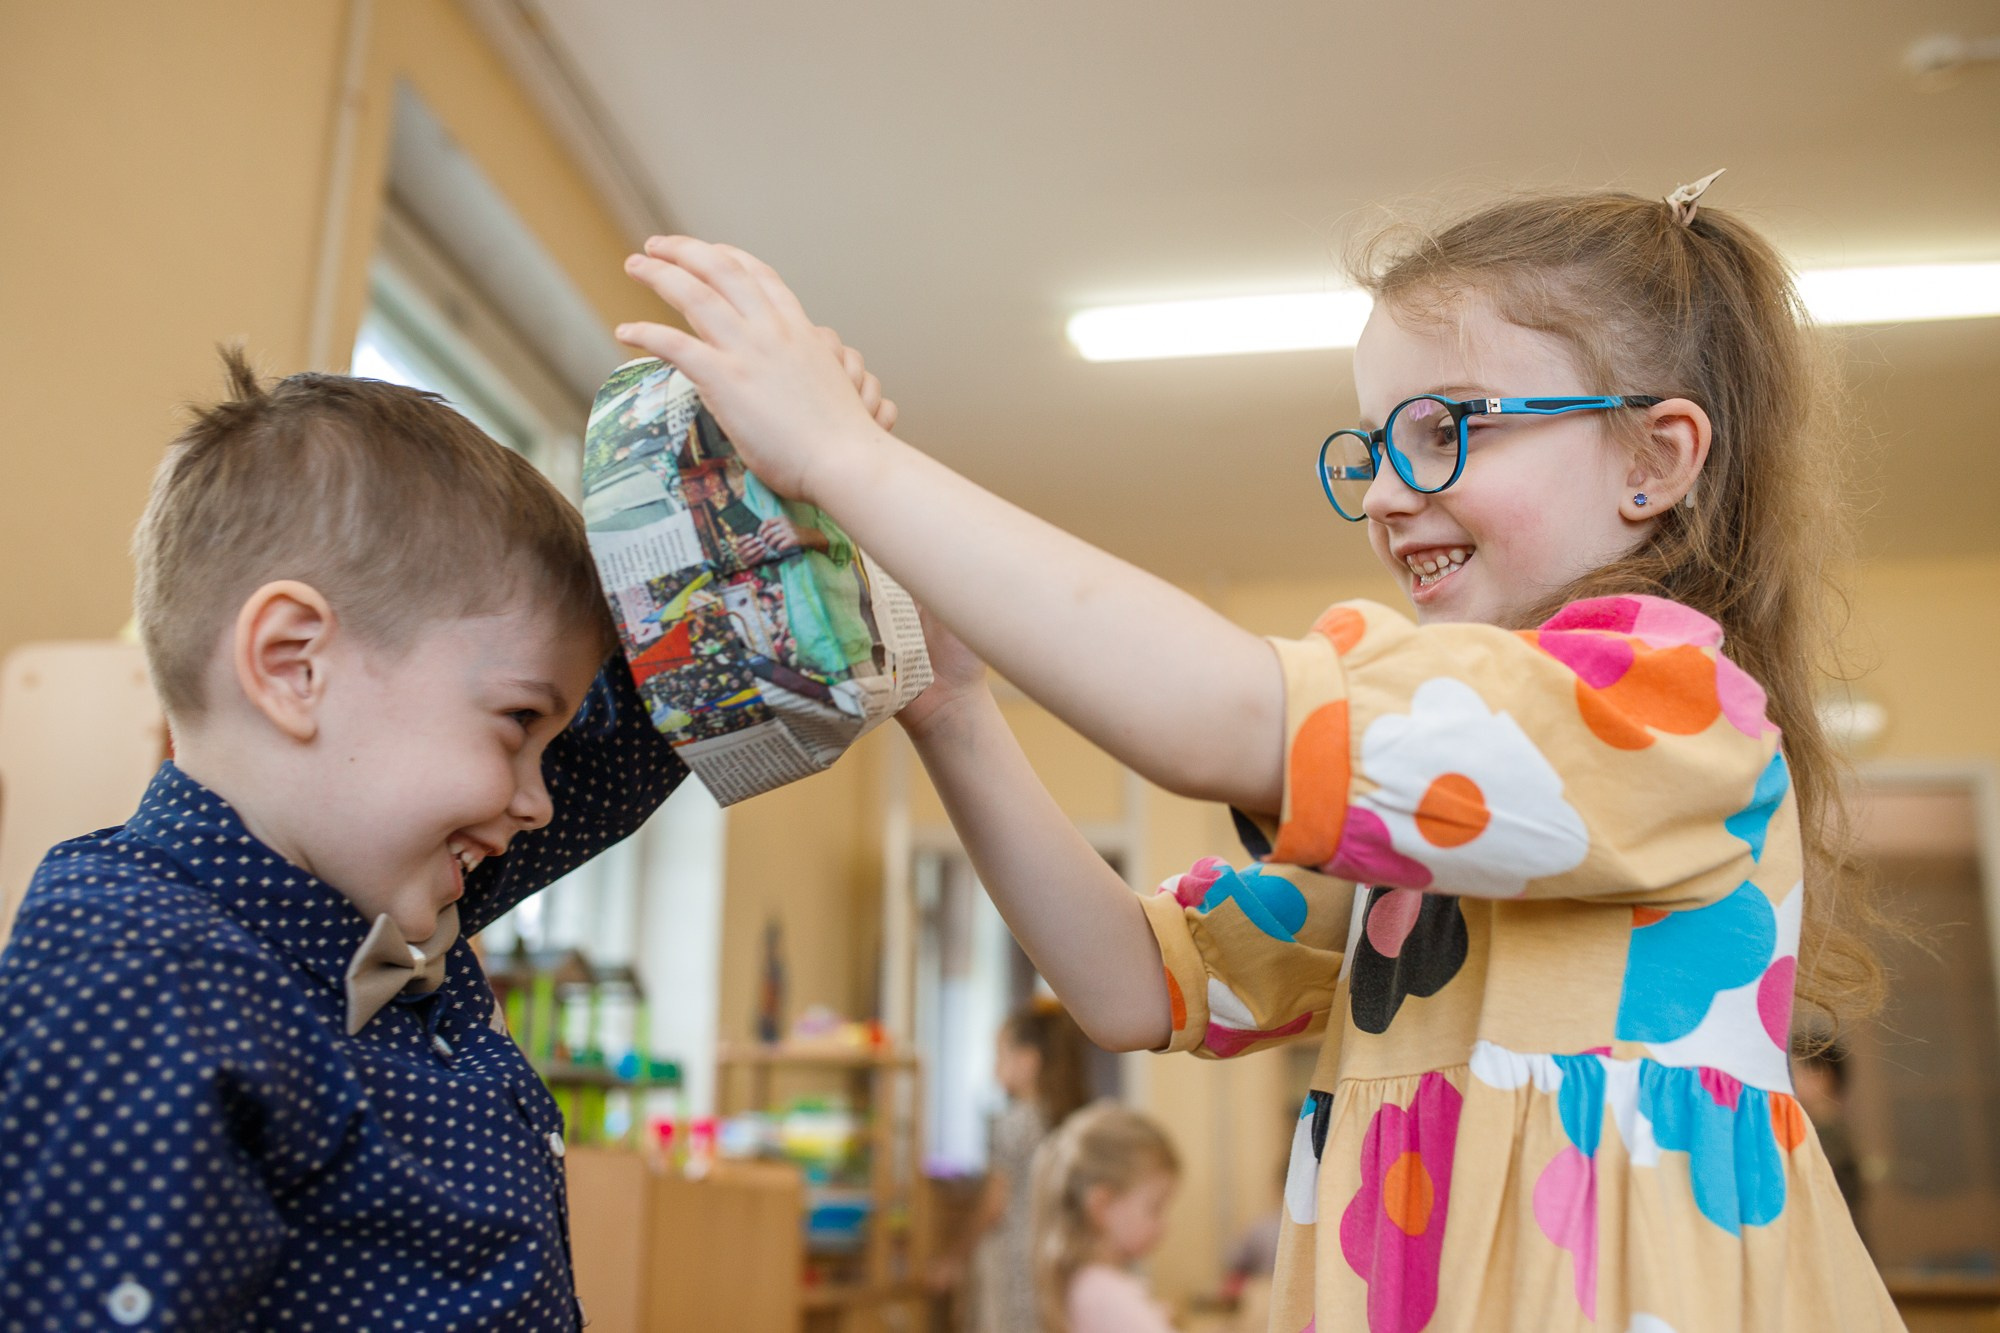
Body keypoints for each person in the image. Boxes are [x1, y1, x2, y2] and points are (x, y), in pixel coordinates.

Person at [615, 172, 1900, 1331]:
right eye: (1374, 444)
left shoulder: (1663, 710)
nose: (1390, 491)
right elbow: (1132, 984)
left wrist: (846, 457)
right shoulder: (1441, 828)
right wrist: (955, 706)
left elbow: (1216, 716)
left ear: (1653, 456)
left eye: (1447, 427)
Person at [0, 349, 891, 1328]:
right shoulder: (137, 983)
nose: (539, 801)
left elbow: (637, 726)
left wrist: (800, 486)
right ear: (295, 667)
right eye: (516, 722)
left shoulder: (358, 895)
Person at [934, 1003, 1091, 1332]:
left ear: (1028, 1061)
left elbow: (994, 1204)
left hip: (1013, 1261)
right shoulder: (1069, 1122)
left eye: (1000, 1056)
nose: (994, 1070)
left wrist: (955, 1256)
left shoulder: (1012, 1123)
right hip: (1052, 1259)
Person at [1032, 1103, 1182, 1333]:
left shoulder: (1086, 1286)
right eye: (1155, 1208)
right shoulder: (1111, 1298)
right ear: (1102, 1206)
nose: (1163, 1226)